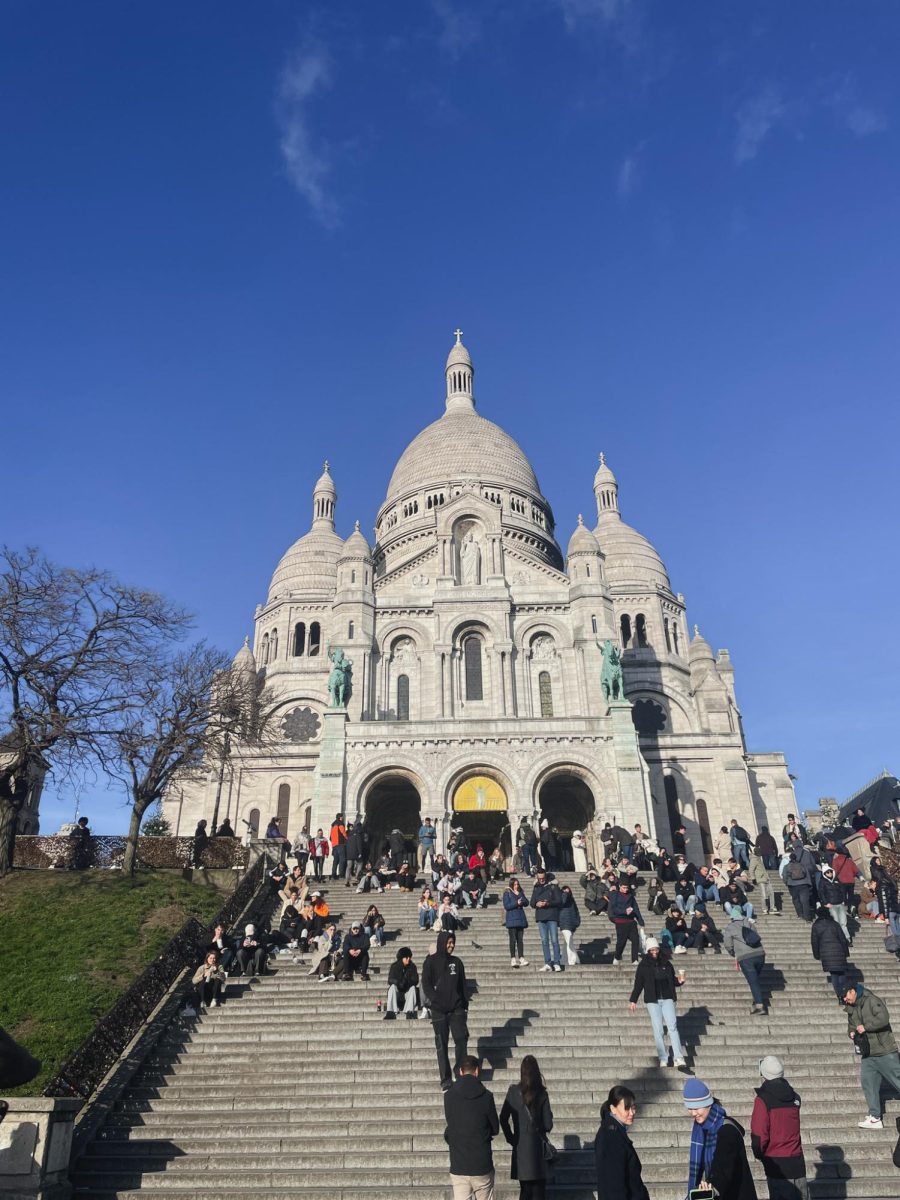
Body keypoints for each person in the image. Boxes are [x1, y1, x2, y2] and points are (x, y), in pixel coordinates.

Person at [683, 1077, 758, 1199]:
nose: (693, 1113)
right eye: (690, 1108)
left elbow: (723, 1164)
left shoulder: (727, 1130)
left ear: (707, 1104)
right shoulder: (701, 1128)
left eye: (696, 1108)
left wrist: (713, 1186)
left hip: (735, 1194)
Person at [842, 982, 900, 1129]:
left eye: (845, 996)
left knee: (897, 1079)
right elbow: (851, 1024)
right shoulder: (851, 1007)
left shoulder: (871, 1000)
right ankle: (875, 1117)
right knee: (868, 1082)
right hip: (868, 1053)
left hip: (884, 1051)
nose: (844, 1000)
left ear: (852, 991)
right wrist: (851, 1032)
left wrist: (866, 1027)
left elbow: (883, 1018)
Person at [750, 1055, 808, 1199]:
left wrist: (759, 1153)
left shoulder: (763, 1100)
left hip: (776, 1162)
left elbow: (759, 1134)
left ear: (763, 1073)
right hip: (796, 1160)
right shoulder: (795, 1097)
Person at [443, 1055, 499, 1200]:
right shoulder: (487, 1096)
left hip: (459, 1162)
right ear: (477, 1071)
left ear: (460, 1071)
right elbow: (495, 1128)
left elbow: (451, 1124)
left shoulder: (449, 1097)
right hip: (482, 1163)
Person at [500, 1054, 554, 1200]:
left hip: (520, 1149)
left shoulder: (513, 1092)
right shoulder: (542, 1093)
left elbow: (503, 1118)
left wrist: (511, 1138)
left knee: (525, 1191)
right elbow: (548, 1124)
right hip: (538, 1150)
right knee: (539, 1192)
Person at [628, 937, 687, 1069]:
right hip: (652, 1000)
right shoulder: (643, 965)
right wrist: (633, 1000)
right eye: (652, 950)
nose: (654, 952)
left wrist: (680, 981)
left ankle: (678, 1057)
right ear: (648, 951)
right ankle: (663, 1057)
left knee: (672, 1026)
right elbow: (639, 984)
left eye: (656, 949)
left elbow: (672, 980)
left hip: (667, 998)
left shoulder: (666, 963)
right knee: (658, 1029)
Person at [423, 931, 469, 1091]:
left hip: (456, 1009)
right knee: (441, 1045)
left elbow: (463, 986)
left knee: (461, 1041)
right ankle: (446, 1079)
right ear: (442, 942)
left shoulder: (457, 962)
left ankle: (461, 1074)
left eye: (453, 942)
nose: (451, 945)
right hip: (438, 1011)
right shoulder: (430, 962)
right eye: (449, 942)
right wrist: (436, 1000)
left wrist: (465, 1007)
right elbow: (426, 984)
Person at [593, 1084, 649, 1200]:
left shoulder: (615, 1131)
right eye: (627, 1108)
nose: (632, 1113)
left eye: (633, 1107)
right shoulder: (611, 1136)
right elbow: (614, 1184)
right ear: (613, 1109)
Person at [723, 907, 767, 1014]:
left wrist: (733, 952)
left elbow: (727, 944)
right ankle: (757, 999)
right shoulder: (749, 923)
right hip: (760, 954)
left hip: (746, 957)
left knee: (753, 981)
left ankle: (760, 1006)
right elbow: (756, 936)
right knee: (755, 980)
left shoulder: (730, 927)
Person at [810, 904, 851, 1001]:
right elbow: (842, 939)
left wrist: (816, 955)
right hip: (839, 950)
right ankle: (844, 993)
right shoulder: (835, 924)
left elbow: (814, 942)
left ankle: (840, 996)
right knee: (841, 973)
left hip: (826, 953)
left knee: (834, 974)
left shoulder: (816, 926)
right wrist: (846, 952)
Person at [530, 869, 563, 972]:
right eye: (539, 878)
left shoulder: (553, 886)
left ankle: (557, 962)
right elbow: (532, 902)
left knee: (554, 940)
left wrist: (547, 903)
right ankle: (547, 963)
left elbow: (559, 900)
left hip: (552, 916)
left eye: (543, 878)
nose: (541, 880)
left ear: (546, 876)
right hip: (541, 917)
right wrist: (537, 904)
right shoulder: (536, 887)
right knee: (544, 941)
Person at [608, 879, 644, 966]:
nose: (626, 889)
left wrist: (640, 920)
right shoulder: (615, 895)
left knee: (635, 940)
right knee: (621, 941)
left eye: (627, 888)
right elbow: (613, 908)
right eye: (624, 887)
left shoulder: (630, 896)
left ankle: (634, 959)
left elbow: (636, 908)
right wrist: (624, 911)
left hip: (631, 921)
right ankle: (617, 957)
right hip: (621, 921)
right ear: (620, 887)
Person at [385, 946, 423, 1019]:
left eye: (409, 957)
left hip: (407, 992)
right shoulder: (395, 966)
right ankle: (390, 1011)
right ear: (401, 958)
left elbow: (415, 980)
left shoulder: (412, 967)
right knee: (392, 987)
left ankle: (409, 1012)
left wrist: (407, 981)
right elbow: (390, 980)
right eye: (406, 957)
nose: (408, 959)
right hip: (398, 993)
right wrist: (398, 983)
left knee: (413, 988)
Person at [817, 865, 850, 941]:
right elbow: (821, 893)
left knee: (843, 923)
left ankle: (847, 939)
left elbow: (842, 891)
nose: (829, 873)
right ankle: (838, 938)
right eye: (827, 872)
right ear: (824, 874)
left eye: (830, 871)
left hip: (840, 903)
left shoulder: (837, 880)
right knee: (836, 922)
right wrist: (826, 902)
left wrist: (844, 900)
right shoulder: (822, 882)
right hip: (831, 905)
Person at [503, 877, 530, 968]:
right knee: (513, 939)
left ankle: (521, 957)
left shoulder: (520, 892)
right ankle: (513, 958)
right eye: (515, 884)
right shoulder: (507, 893)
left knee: (520, 940)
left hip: (520, 919)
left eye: (517, 884)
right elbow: (507, 906)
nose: (516, 886)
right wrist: (516, 903)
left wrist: (519, 895)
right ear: (511, 885)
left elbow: (527, 903)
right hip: (511, 919)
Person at [784, 846, 814, 921]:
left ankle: (800, 915)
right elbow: (807, 874)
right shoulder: (801, 865)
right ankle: (808, 918)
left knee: (796, 900)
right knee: (805, 901)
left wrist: (786, 883)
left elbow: (785, 876)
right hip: (804, 884)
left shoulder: (787, 866)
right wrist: (809, 884)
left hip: (793, 885)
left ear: (790, 858)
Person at [558, 884, 581, 966]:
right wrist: (565, 893)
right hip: (564, 923)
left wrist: (577, 921)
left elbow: (576, 911)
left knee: (567, 942)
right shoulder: (562, 898)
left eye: (568, 891)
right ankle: (573, 959)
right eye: (565, 891)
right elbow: (563, 901)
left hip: (571, 924)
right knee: (569, 940)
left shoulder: (572, 900)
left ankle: (563, 960)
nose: (567, 892)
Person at [749, 849, 776, 916]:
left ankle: (772, 908)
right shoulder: (754, 859)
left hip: (766, 878)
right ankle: (764, 909)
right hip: (760, 879)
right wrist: (753, 879)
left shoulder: (759, 858)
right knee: (763, 894)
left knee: (771, 893)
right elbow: (751, 869)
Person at [330, 813, 347, 879]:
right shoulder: (340, 823)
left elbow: (330, 837)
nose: (343, 818)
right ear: (340, 817)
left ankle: (333, 874)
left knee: (335, 860)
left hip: (334, 845)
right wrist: (347, 839)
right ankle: (341, 874)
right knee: (342, 859)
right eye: (342, 817)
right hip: (340, 844)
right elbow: (343, 833)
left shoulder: (333, 825)